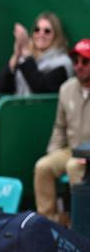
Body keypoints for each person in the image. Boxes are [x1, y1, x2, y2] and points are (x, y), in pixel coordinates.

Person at [0, 12, 72, 185]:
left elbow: (40, 87)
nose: (41, 34)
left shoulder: (62, 63)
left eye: (47, 31)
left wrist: (25, 55)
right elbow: (2, 86)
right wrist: (15, 57)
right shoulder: (27, 58)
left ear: (56, 36)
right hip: (14, 116)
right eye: (37, 29)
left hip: (33, 118)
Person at [34, 39, 90, 223]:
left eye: (85, 62)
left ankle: (80, 225)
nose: (79, 66)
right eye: (76, 61)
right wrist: (53, 152)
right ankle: (49, 222)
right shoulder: (66, 89)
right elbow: (59, 127)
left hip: (86, 155)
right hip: (71, 149)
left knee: (74, 167)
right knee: (43, 166)